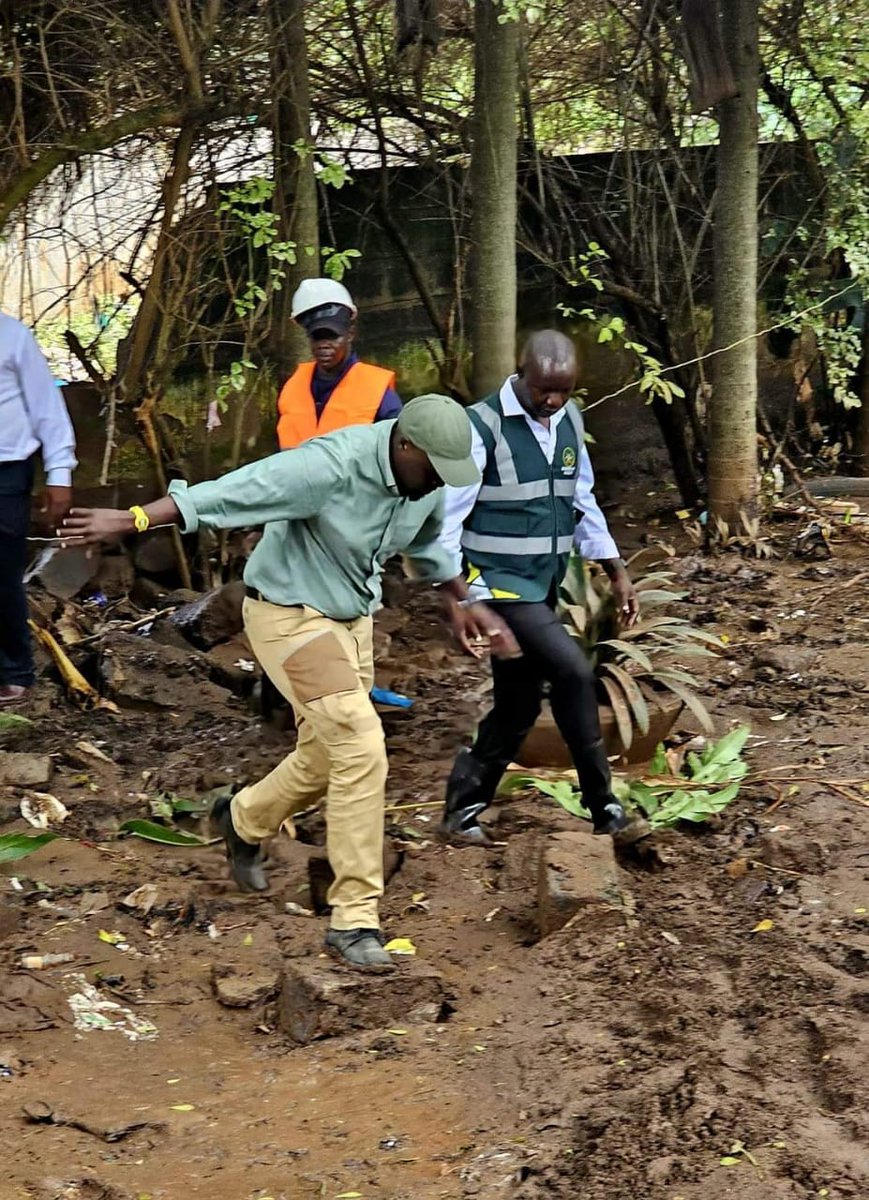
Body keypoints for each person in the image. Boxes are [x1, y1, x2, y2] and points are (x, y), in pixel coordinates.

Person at [61, 395, 519, 972]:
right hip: (288, 614)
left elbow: (428, 546)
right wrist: (134, 519)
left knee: (326, 755)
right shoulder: (330, 465)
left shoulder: (424, 483)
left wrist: (462, 604)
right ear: (405, 446)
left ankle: (243, 818)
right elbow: (234, 490)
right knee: (360, 743)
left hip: (352, 620)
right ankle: (354, 918)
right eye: (432, 470)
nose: (437, 484)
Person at [436, 329, 641, 845]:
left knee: (520, 704)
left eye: (563, 391)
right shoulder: (480, 427)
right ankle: (604, 806)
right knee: (573, 671)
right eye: (543, 390)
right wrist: (459, 597)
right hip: (496, 584)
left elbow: (583, 500)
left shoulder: (568, 420)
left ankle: (461, 809)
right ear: (520, 373)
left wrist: (615, 569)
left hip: (541, 583)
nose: (551, 401)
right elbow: (443, 527)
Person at [0, 311, 77, 705]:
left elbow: (48, 407)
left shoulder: (12, 336)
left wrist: (59, 472)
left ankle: (15, 671)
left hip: (6, 470)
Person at [276, 278, 402, 448]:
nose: (324, 345)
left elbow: (399, 451)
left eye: (332, 336)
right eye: (316, 337)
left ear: (350, 334)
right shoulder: (293, 387)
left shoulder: (377, 391)